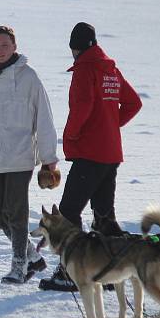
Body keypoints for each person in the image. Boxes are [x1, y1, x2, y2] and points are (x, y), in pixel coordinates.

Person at [39, 22, 143, 291]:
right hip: (110, 154)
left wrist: (72, 136)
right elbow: (133, 103)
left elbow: (82, 107)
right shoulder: (110, 69)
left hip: (91, 154)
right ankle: (111, 274)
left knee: (68, 213)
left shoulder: (86, 69)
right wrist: (109, 125)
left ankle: (70, 273)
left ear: (75, 48)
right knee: (104, 216)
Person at [0, 25, 59, 284]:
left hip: (20, 158)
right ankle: (32, 256)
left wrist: (49, 157)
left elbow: (44, 119)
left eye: (4, 45)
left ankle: (19, 267)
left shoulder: (29, 78)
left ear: (14, 47)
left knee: (16, 214)